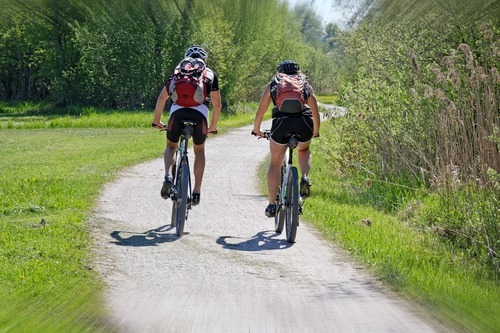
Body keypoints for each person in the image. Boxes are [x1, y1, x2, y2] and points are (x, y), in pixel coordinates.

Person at [152, 45, 221, 206]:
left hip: (178, 113)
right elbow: (217, 105)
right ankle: (196, 191)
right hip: (200, 116)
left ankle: (168, 176)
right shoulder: (210, 74)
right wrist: (213, 126)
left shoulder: (178, 72)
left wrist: (157, 121)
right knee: (199, 150)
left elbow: (162, 99)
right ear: (204, 61)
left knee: (171, 146)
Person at [252, 60, 320, 217]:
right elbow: (315, 111)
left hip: (281, 124)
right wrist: (315, 131)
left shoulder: (274, 85)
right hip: (304, 124)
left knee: (275, 163)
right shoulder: (305, 85)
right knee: (304, 149)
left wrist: (257, 129)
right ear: (298, 73)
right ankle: (304, 177)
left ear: (279, 72)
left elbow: (260, 111)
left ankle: (271, 205)